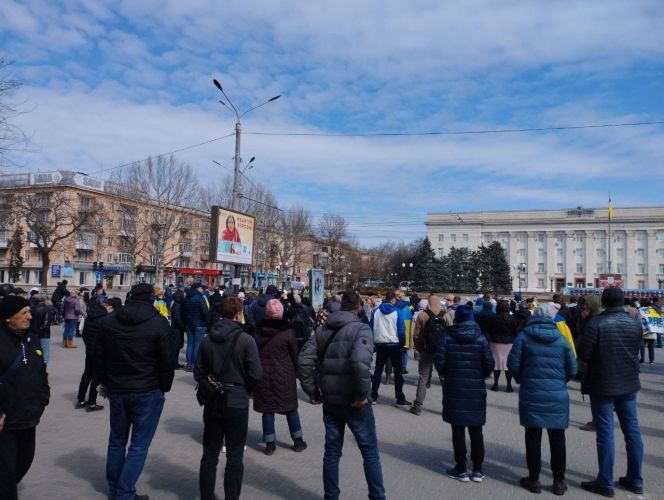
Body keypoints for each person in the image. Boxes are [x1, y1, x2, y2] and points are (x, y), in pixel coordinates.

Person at [298, 291, 386, 500]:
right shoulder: (362, 329)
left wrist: (313, 391)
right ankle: (377, 496)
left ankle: (331, 496)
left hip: (331, 400)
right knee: (370, 453)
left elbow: (303, 361)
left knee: (332, 452)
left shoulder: (321, 330)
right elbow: (359, 361)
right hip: (356, 401)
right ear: (358, 308)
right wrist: (363, 393)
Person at [96, 283, 174, 500]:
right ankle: (124, 491)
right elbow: (167, 359)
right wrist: (164, 386)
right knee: (139, 444)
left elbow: (99, 354)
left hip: (119, 388)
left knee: (117, 440)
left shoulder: (110, 320)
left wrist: (105, 381)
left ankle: (116, 487)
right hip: (147, 389)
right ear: (151, 298)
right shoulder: (159, 323)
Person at [577, 287, 644, 497]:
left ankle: (605, 482)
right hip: (628, 383)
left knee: (605, 432)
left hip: (603, 383)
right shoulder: (634, 323)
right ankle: (635, 479)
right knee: (632, 431)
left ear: (603, 303)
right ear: (622, 301)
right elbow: (636, 349)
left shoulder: (596, 323)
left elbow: (585, 354)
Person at [195, 296, 263, 500]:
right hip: (237, 400)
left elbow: (198, 373)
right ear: (238, 314)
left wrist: (212, 380)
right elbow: (256, 373)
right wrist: (244, 387)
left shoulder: (207, 339)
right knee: (234, 455)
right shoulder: (246, 340)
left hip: (213, 400)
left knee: (209, 453)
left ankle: (206, 496)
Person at [507, 305, 577, 496]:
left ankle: (534, 479)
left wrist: (522, 378)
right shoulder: (561, 339)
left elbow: (512, 363)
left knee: (533, 435)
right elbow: (572, 368)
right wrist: (560, 381)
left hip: (531, 391)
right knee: (557, 437)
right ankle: (559, 482)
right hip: (557, 394)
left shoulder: (524, 336)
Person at [434, 305, 494, 483]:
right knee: (476, 428)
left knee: (458, 428)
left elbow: (439, 361)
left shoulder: (448, 336)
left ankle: (461, 468)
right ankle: (477, 469)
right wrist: (479, 374)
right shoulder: (481, 337)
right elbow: (489, 363)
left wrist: (448, 373)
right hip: (475, 386)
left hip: (455, 385)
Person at [0, 295, 50, 500]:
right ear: (7, 318)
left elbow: (41, 371)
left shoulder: (32, 338)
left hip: (29, 416)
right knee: (5, 472)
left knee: (24, 461)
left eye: (29, 311)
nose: (30, 316)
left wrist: (44, 395)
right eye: (24, 313)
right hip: (6, 420)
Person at [253, 299, 307, 455]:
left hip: (263, 375)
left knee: (267, 409)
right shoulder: (288, 333)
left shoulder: (258, 331)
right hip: (284, 374)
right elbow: (295, 354)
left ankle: (270, 444)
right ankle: (297, 441)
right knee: (290, 408)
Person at [410, 295, 452, 415]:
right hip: (442, 352)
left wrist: (418, 347)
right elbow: (451, 331)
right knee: (444, 379)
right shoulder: (446, 315)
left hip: (426, 350)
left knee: (423, 378)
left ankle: (417, 406)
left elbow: (416, 334)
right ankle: (447, 408)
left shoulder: (423, 315)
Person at [75, 298, 117, 412]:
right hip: (99, 352)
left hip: (89, 350)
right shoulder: (104, 319)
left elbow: (84, 333)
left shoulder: (90, 316)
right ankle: (92, 403)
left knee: (87, 374)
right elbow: (107, 338)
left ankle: (81, 400)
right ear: (109, 307)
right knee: (96, 377)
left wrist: (89, 346)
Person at [370, 290, 409, 406]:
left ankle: (373, 396)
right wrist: (402, 343)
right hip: (394, 344)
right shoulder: (397, 311)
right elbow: (401, 330)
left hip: (380, 343)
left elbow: (370, 327)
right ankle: (399, 397)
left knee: (378, 370)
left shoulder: (376, 311)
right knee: (397, 373)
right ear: (393, 300)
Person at [486, 299, 518, 392]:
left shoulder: (493, 317)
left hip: (496, 342)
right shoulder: (512, 318)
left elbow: (489, 329)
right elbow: (515, 331)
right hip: (509, 342)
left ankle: (495, 384)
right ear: (508, 308)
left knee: (496, 364)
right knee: (508, 365)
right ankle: (509, 385)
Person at [183, 282, 210, 372]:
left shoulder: (187, 298)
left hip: (189, 323)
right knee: (197, 344)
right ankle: (195, 364)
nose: (202, 290)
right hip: (199, 324)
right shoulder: (200, 298)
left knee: (190, 343)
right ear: (198, 288)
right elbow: (205, 312)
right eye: (201, 288)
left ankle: (189, 363)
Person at [638, 298, 661, 364]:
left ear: (641, 303)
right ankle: (651, 360)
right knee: (651, 346)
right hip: (652, 330)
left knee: (642, 346)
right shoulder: (653, 310)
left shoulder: (640, 310)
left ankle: (642, 359)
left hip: (642, 330)